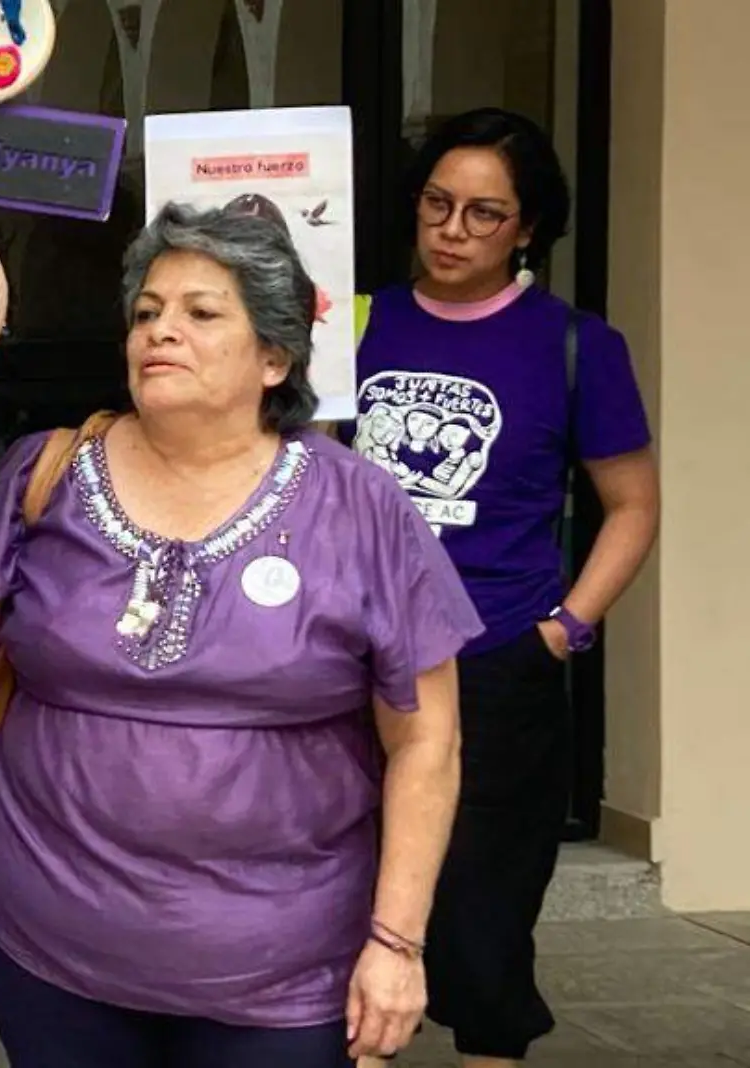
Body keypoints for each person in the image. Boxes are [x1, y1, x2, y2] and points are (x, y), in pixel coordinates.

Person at [0, 203, 478, 1067]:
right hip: (53, 948)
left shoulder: (361, 508)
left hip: (283, 971)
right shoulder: (47, 472)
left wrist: (396, 943)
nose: (163, 331)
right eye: (148, 312)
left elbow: (428, 739)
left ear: (275, 356)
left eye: (202, 313)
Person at [350, 108, 659, 1068]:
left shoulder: (575, 346)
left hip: (496, 667)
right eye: (438, 205)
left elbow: (633, 506)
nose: (452, 229)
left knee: (483, 934)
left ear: (527, 228)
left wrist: (563, 629)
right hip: (348, 659)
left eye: (485, 214)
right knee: (337, 914)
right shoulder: (354, 323)